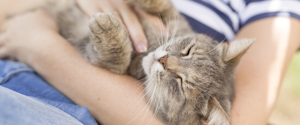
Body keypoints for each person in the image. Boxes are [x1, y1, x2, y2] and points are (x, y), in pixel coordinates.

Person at [1, 0, 300, 125]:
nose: (168, 61)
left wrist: (40, 45)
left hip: (67, 107)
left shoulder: (275, 9)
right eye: (184, 54)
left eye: (181, 79)